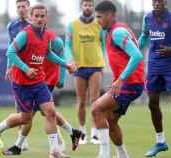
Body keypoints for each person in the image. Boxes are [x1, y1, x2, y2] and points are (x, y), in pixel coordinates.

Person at [0, 4, 76, 158]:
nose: (39, 19)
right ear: (31, 17)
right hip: (21, 83)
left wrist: (65, 64)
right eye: (36, 16)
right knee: (25, 118)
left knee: (50, 112)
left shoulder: (47, 34)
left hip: (38, 81)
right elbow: (10, 52)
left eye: (42, 16)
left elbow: (48, 53)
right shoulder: (25, 34)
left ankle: (55, 150)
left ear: (46, 18)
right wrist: (26, 69)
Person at [4, 31, 83, 157]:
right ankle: (72, 133)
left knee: (35, 114)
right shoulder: (26, 35)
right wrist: (10, 67)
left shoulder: (54, 40)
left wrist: (61, 79)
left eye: (42, 17)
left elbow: (60, 58)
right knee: (44, 113)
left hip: (46, 80)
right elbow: (13, 51)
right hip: (35, 79)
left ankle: (20, 145)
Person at [138, 0, 171, 157]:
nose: (156, 3)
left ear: (165, 2)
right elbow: (144, 36)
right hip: (153, 66)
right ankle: (160, 142)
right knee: (152, 104)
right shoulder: (147, 18)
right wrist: (135, 47)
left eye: (160, 1)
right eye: (154, 1)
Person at [93, 1, 145, 158]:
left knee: (96, 109)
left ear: (110, 15)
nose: (98, 20)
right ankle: (122, 155)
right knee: (110, 120)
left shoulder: (117, 32)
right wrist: (117, 79)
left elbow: (137, 55)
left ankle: (104, 154)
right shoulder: (113, 31)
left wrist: (121, 79)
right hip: (130, 83)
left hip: (130, 83)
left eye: (100, 17)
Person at [65, 0, 104, 145]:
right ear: (81, 7)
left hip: (96, 66)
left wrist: (103, 61)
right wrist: (70, 60)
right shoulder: (72, 24)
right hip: (79, 67)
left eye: (90, 5)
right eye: (85, 5)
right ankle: (82, 132)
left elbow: (103, 44)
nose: (88, 7)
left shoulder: (99, 24)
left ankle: (95, 133)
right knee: (81, 101)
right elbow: (67, 45)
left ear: (93, 8)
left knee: (95, 101)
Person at [5, 0, 31, 151]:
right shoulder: (12, 26)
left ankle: (57, 140)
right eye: (18, 7)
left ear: (29, 7)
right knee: (18, 104)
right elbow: (11, 46)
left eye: (23, 6)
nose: (21, 9)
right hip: (18, 70)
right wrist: (9, 66)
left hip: (34, 69)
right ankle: (21, 138)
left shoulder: (34, 24)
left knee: (45, 107)